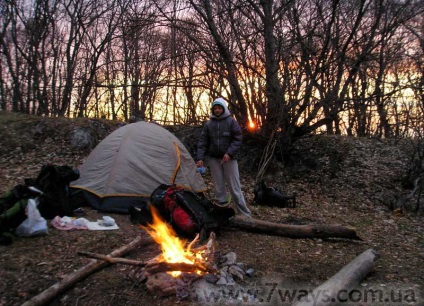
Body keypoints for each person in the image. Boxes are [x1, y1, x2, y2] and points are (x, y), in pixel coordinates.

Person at [196, 97, 252, 217]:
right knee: (218, 187)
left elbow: (237, 139)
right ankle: (223, 213)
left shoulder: (231, 122)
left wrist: (229, 153)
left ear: (224, 109)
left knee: (234, 187)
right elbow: (202, 142)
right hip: (214, 159)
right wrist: (200, 158)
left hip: (229, 159)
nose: (217, 110)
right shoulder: (209, 124)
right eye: (215, 108)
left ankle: (244, 214)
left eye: (219, 108)